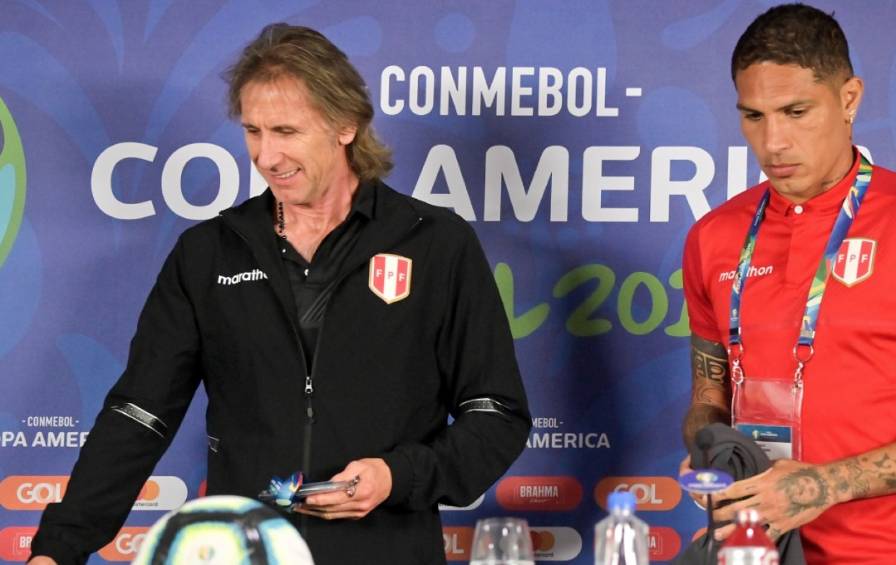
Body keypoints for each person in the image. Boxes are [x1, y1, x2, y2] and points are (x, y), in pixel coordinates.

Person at [29, 23, 530, 565]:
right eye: (253, 131)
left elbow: (496, 413)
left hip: (387, 549)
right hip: (242, 552)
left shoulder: (436, 244)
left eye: (287, 132)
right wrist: (58, 549)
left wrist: (397, 476)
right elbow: (138, 414)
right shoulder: (208, 253)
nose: (267, 156)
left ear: (346, 126)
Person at [680, 4, 896, 564]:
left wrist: (822, 486)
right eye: (753, 116)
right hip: (758, 550)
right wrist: (710, 450)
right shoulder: (712, 236)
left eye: (795, 111)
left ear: (849, 98)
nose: (773, 142)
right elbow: (710, 397)